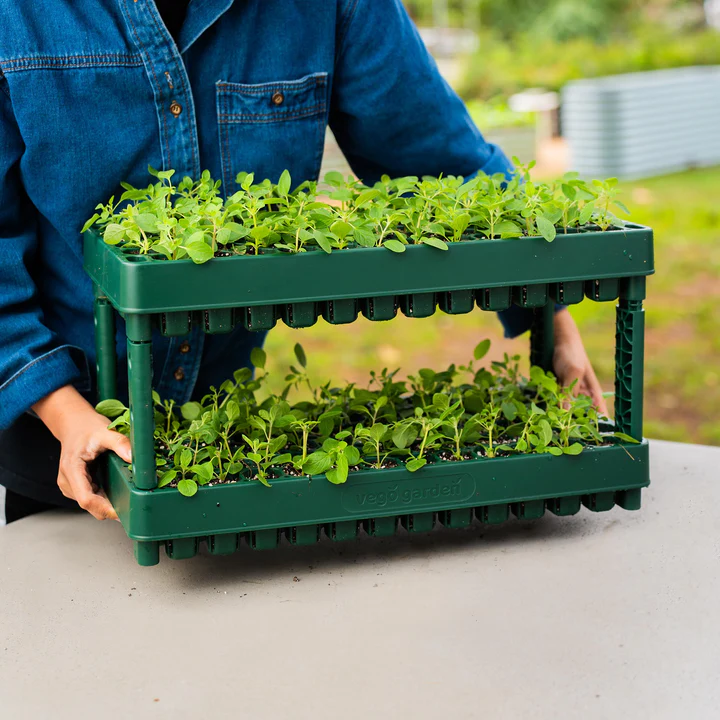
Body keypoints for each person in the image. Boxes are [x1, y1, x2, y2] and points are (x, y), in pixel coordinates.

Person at [0, 0, 606, 526]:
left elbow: (438, 156)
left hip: (220, 438)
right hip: (56, 444)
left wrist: (548, 312)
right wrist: (63, 409)